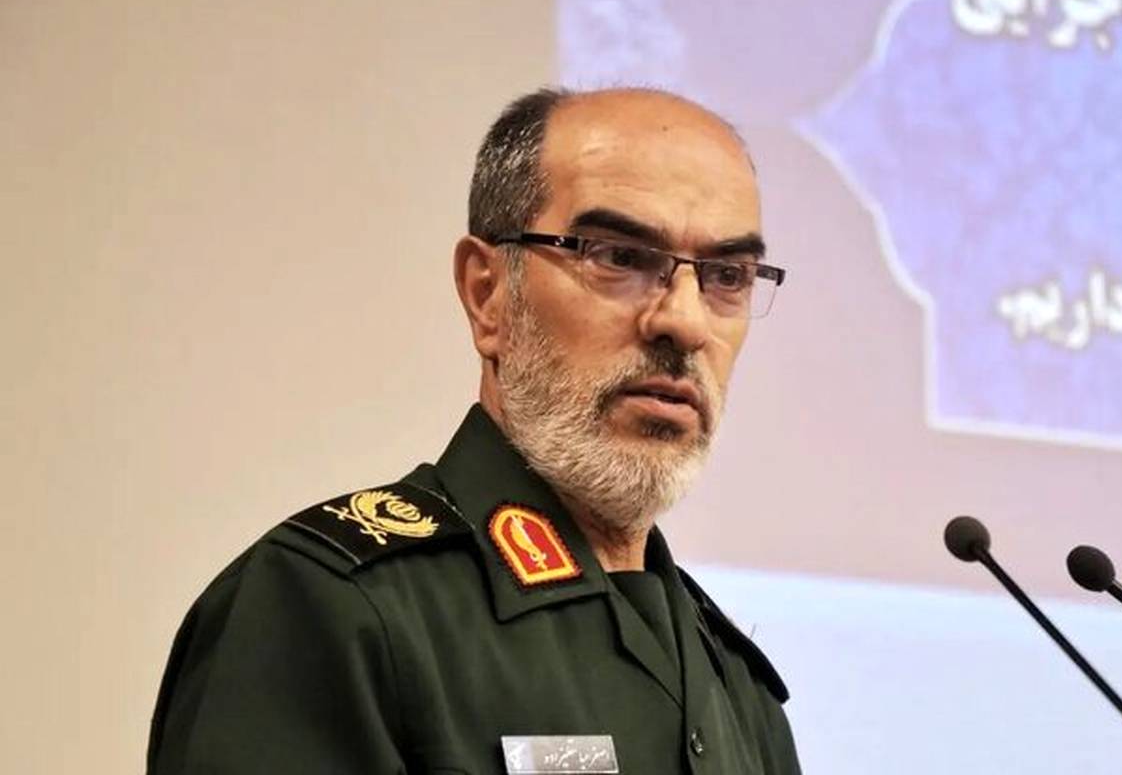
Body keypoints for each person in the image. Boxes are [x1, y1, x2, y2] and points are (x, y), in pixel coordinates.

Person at [148, 87, 801, 774]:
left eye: (728, 276)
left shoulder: (738, 685)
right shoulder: (331, 608)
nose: (685, 323)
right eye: (618, 257)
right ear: (488, 294)